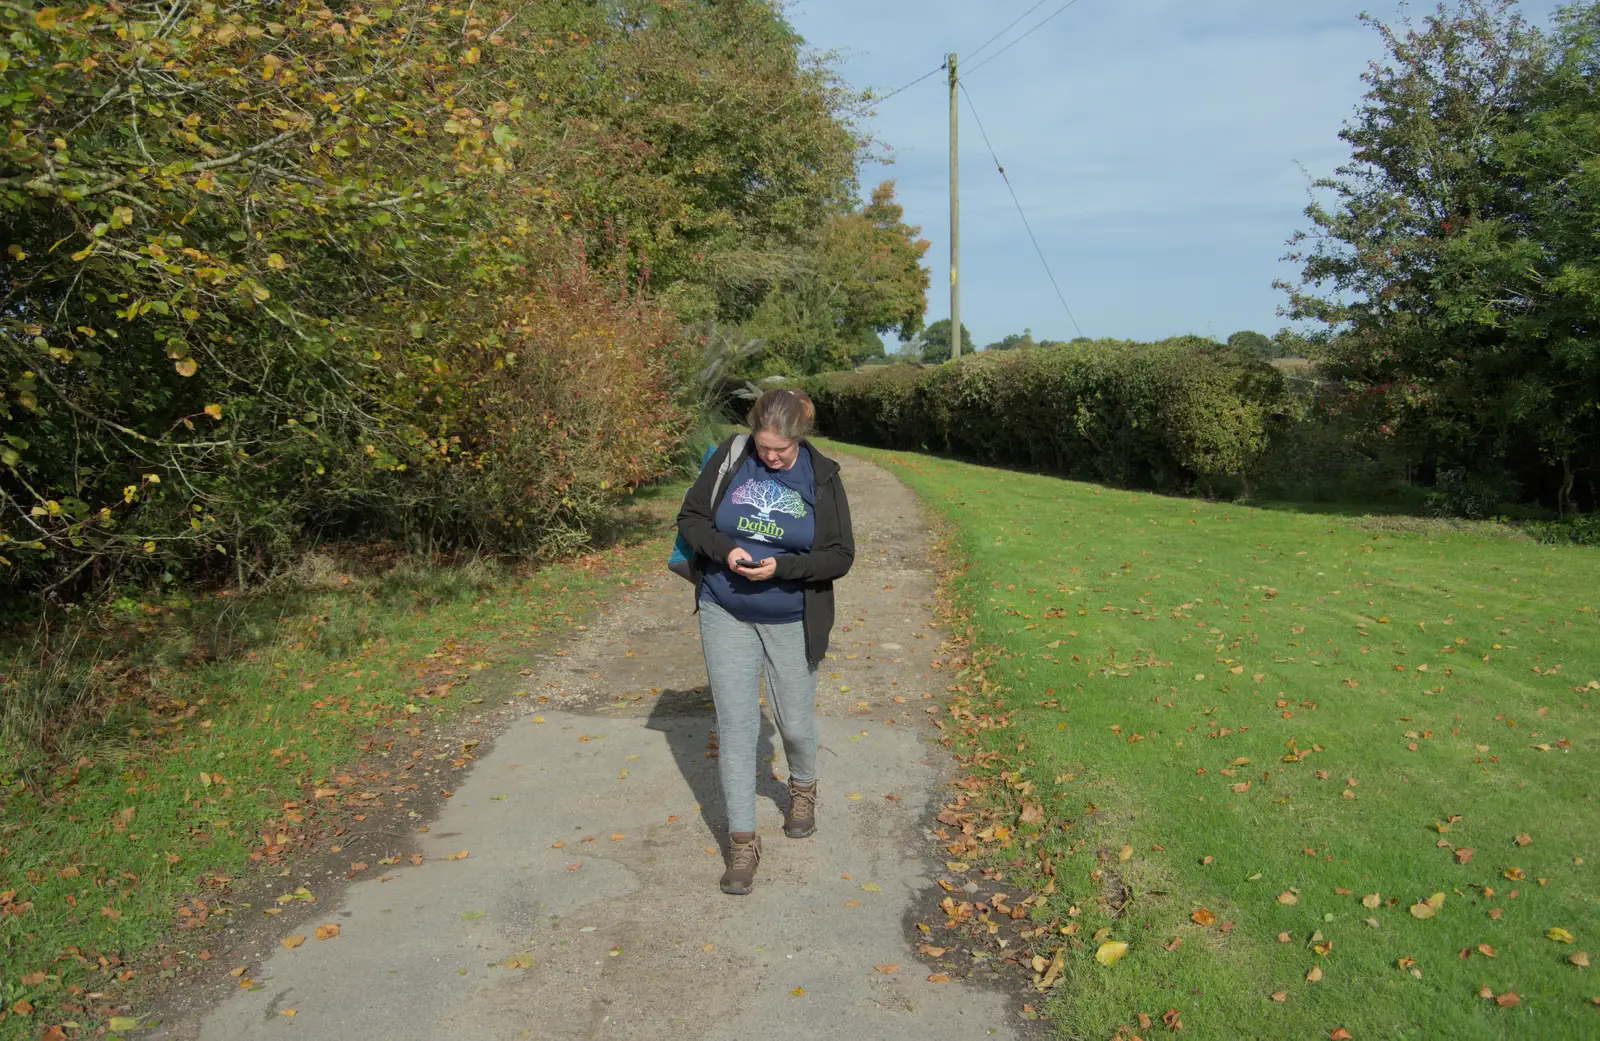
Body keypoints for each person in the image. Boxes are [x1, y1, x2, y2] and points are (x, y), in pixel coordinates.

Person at [675, 389, 855, 895]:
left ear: (801, 437)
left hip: (792, 617)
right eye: (765, 447)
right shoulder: (733, 456)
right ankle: (743, 844)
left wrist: (787, 567)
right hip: (724, 608)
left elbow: (840, 556)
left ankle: (802, 786)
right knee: (736, 726)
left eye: (782, 449)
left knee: (795, 723)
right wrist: (726, 551)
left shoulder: (822, 477)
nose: (771, 457)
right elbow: (691, 519)